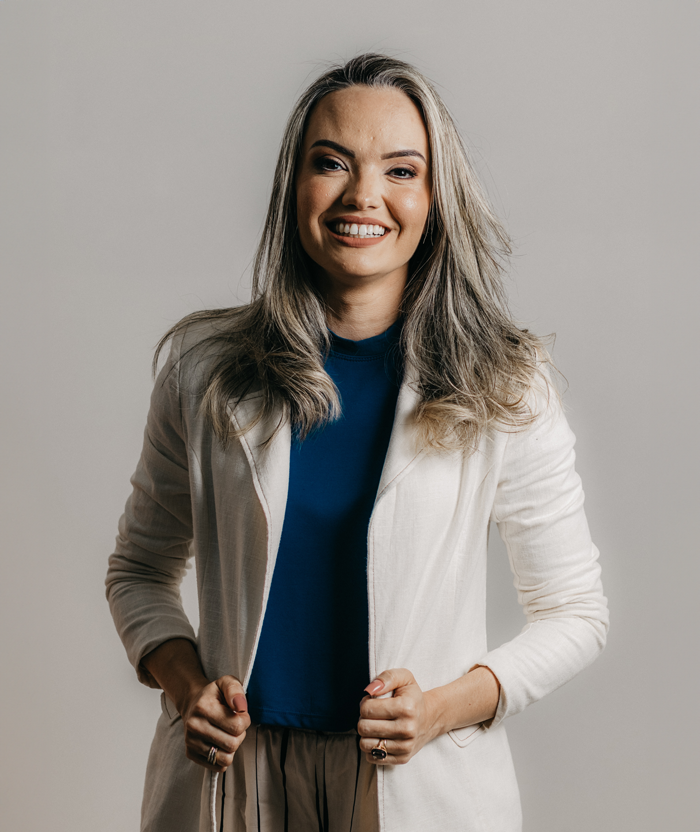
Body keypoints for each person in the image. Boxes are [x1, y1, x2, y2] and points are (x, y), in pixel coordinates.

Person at [106, 53, 608, 832]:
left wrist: (442, 708)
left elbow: (576, 613)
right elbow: (138, 571)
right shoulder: (205, 373)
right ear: (293, 186)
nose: (362, 196)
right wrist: (185, 685)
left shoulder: (506, 384)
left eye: (400, 170)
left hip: (414, 783)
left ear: (436, 198)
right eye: (330, 162)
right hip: (233, 785)